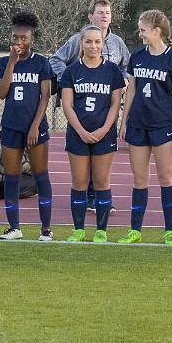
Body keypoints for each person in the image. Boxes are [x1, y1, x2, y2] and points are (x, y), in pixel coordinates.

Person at [51, 0, 130, 213]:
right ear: (90, 16)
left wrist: (122, 81)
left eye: (108, 13)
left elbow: (127, 66)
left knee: (101, 166)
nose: (105, 16)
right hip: (83, 107)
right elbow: (55, 60)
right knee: (81, 167)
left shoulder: (118, 43)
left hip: (106, 108)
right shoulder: (77, 39)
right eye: (100, 12)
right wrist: (69, 79)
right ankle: (86, 198)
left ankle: (98, 199)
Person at [117, 10, 172, 245]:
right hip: (138, 123)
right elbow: (132, 91)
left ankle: (169, 230)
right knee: (139, 179)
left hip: (163, 124)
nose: (140, 33)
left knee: (166, 177)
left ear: (157, 31)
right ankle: (135, 230)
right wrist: (124, 121)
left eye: (143, 29)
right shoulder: (137, 56)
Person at [60, 25, 125, 243]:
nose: (93, 46)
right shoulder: (71, 71)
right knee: (79, 183)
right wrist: (80, 130)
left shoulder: (113, 71)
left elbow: (115, 103)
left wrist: (105, 129)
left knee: (101, 182)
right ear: (81, 43)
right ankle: (78, 230)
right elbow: (67, 105)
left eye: (97, 42)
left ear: (103, 44)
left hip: (103, 134)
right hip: (78, 134)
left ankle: (101, 231)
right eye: (88, 41)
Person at [0, 11, 55, 241]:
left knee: (41, 176)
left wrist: (35, 126)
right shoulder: (4, 62)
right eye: (15, 38)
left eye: (24, 38)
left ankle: (46, 229)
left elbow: (45, 96)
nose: (19, 42)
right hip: (11, 125)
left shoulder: (41, 62)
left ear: (32, 39)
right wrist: (11, 61)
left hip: (35, 127)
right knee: (11, 177)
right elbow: (1, 93)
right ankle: (14, 228)